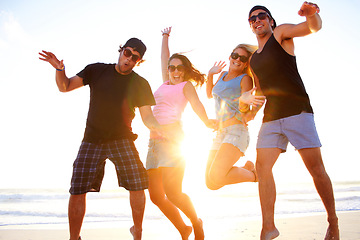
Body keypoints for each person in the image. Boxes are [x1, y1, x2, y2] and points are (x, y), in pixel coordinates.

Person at [39, 38, 163, 240]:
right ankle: (74, 238)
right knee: (78, 188)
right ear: (121, 50)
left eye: (135, 57)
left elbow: (148, 118)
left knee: (139, 183)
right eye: (127, 53)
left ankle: (138, 231)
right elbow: (65, 86)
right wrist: (59, 69)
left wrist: (163, 130)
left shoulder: (140, 83)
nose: (129, 59)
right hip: (92, 138)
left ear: (139, 61)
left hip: (122, 139)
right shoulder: (96, 70)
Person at [247, 2, 340, 239]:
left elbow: (312, 28)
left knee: (316, 169)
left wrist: (312, 15)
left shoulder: (280, 35)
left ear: (270, 20)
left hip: (298, 112)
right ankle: (268, 227)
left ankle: (333, 221)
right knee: (262, 167)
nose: (257, 20)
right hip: (271, 118)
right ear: (250, 26)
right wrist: (248, 105)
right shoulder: (253, 61)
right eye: (252, 19)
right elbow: (260, 91)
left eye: (261, 16)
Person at [145, 27, 216, 240]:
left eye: (179, 68)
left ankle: (196, 222)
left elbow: (197, 105)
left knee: (173, 192)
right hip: (154, 142)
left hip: (173, 139)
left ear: (184, 71)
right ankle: (184, 228)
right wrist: (165, 37)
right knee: (157, 196)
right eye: (172, 68)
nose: (175, 72)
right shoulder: (164, 82)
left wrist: (206, 122)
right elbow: (164, 57)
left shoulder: (185, 86)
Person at [205, 44, 265, 190]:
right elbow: (209, 94)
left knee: (218, 176)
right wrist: (210, 74)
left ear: (246, 64)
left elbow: (249, 103)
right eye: (235, 55)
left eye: (242, 58)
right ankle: (247, 168)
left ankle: (255, 175)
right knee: (211, 183)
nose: (237, 59)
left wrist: (251, 114)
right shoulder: (222, 75)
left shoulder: (245, 79)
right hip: (220, 132)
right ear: (230, 56)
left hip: (236, 132)